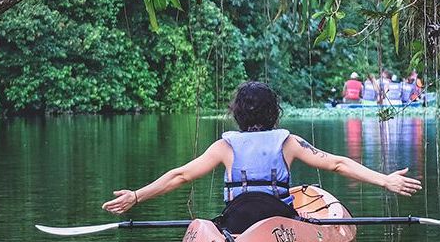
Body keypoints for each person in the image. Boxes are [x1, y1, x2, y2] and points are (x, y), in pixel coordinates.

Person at [102, 81, 422, 232]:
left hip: (237, 221)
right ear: (274, 113)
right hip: (278, 220)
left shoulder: (224, 145)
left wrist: (136, 196)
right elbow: (337, 162)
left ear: (237, 113)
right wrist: (386, 180)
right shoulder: (288, 141)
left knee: (224, 221)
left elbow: (180, 175)